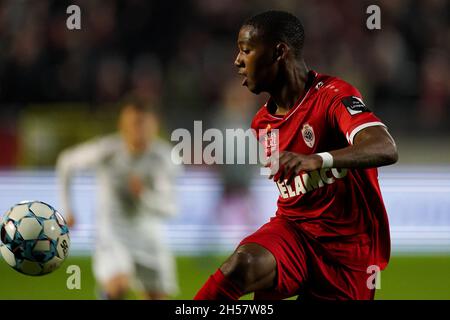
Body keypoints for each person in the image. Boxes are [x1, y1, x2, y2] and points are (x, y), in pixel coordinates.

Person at [194, 10, 398, 300]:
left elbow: (385, 146)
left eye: (246, 50)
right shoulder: (261, 124)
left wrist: (319, 158)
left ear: (279, 51)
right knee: (241, 265)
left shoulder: (333, 96)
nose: (237, 61)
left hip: (346, 255)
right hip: (293, 233)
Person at [57, 99, 180, 300]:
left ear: (154, 125)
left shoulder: (164, 158)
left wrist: (143, 195)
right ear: (122, 125)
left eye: (142, 122)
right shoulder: (108, 150)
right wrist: (67, 208)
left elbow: (170, 208)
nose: (137, 129)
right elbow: (66, 162)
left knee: (157, 297)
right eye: (132, 123)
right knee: (118, 285)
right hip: (112, 233)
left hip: (148, 234)